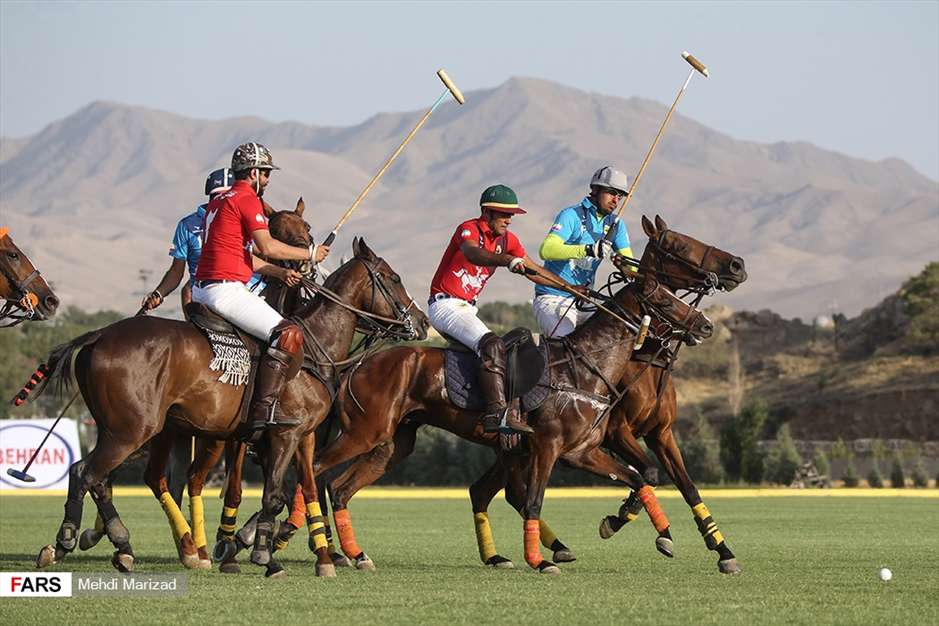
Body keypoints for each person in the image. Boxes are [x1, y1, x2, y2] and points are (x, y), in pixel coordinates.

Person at [192, 142, 329, 438]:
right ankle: (265, 411)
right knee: (289, 333)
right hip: (225, 291)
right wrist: (310, 253)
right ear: (253, 172)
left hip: (202, 289)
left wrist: (280, 271)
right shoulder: (246, 198)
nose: (267, 180)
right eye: (266, 174)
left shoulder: (218, 201)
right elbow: (266, 246)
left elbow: (241, 255)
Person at [428, 184, 584, 435]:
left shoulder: (508, 240)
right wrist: (507, 260)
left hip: (467, 309)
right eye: (503, 214)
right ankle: (496, 414)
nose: (509, 220)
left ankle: (514, 407)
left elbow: (535, 270)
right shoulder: (468, 228)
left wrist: (571, 288)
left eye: (511, 215)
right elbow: (472, 254)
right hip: (444, 304)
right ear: (486, 212)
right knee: (491, 344)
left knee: (518, 341)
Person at [141, 168, 301, 316]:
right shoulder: (186, 226)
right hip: (205, 291)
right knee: (188, 290)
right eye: (216, 196)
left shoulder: (248, 215)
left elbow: (264, 250)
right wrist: (158, 294)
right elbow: (176, 271)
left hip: (250, 288)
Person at [532, 166, 636, 338]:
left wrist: (625, 267)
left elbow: (630, 265)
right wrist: (588, 249)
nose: (616, 200)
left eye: (620, 195)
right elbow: (546, 250)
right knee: (567, 348)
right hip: (553, 298)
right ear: (595, 189)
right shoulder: (571, 215)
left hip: (585, 301)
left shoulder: (617, 225)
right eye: (611, 192)